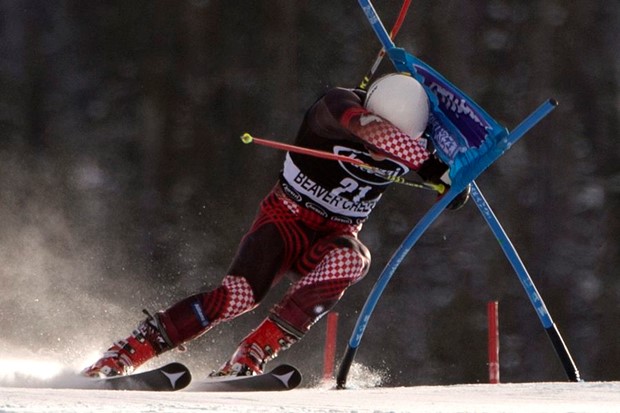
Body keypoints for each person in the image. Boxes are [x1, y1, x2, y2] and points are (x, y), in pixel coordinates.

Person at [82, 73, 469, 378]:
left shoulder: (416, 143)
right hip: (285, 221)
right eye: (382, 146)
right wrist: (429, 166)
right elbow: (369, 129)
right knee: (237, 297)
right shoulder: (336, 105)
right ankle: (131, 350)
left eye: (394, 149)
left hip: (335, 237)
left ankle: (252, 351)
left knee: (353, 261)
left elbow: (443, 178)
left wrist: (451, 187)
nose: (380, 154)